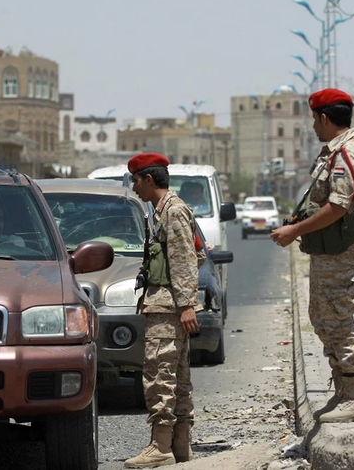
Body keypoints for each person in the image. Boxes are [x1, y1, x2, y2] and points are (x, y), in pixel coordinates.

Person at [270, 88, 354, 423]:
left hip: (339, 250)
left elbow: (337, 207)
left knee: (338, 318)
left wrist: (294, 231)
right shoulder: (333, 152)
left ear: (325, 118)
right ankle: (342, 390)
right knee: (322, 315)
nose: (313, 127)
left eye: (314, 120)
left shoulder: (347, 154)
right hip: (328, 250)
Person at [125, 152, 204, 468]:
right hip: (168, 305)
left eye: (136, 181)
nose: (134, 189)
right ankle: (180, 448)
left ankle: (161, 447)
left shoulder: (172, 212)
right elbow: (194, 255)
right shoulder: (164, 212)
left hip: (168, 309)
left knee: (160, 374)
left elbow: (187, 259)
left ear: (148, 179)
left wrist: (185, 305)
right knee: (177, 376)